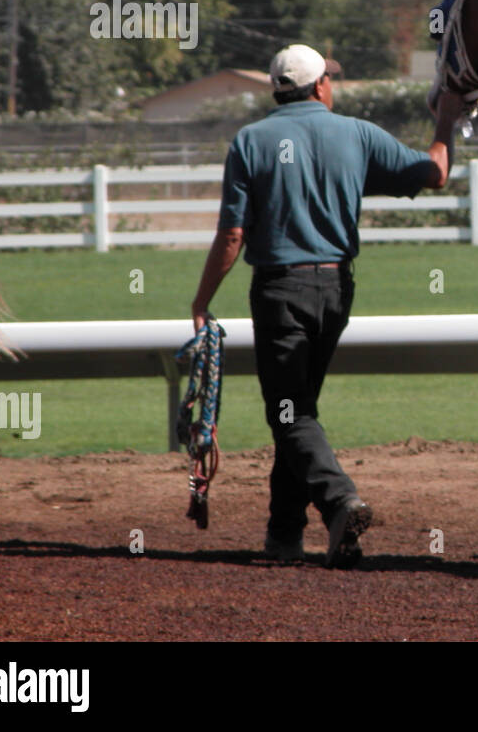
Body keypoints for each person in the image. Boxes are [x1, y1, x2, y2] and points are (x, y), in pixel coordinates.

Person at [190, 44, 463, 567]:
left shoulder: (251, 141)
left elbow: (232, 235)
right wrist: (446, 122)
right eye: (330, 80)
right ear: (319, 87)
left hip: (278, 294)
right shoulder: (356, 134)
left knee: (289, 414)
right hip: (336, 292)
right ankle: (285, 536)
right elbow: (435, 173)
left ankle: (340, 501)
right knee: (297, 412)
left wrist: (202, 301)